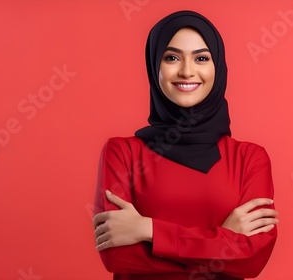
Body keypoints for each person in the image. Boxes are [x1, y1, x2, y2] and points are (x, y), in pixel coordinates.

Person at [92, 10, 278, 280]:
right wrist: (224, 243)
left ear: (219, 67)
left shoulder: (249, 158)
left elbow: (253, 260)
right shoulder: (123, 153)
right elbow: (117, 256)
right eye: (172, 57)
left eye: (201, 58)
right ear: (154, 64)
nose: (187, 71)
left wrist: (148, 230)